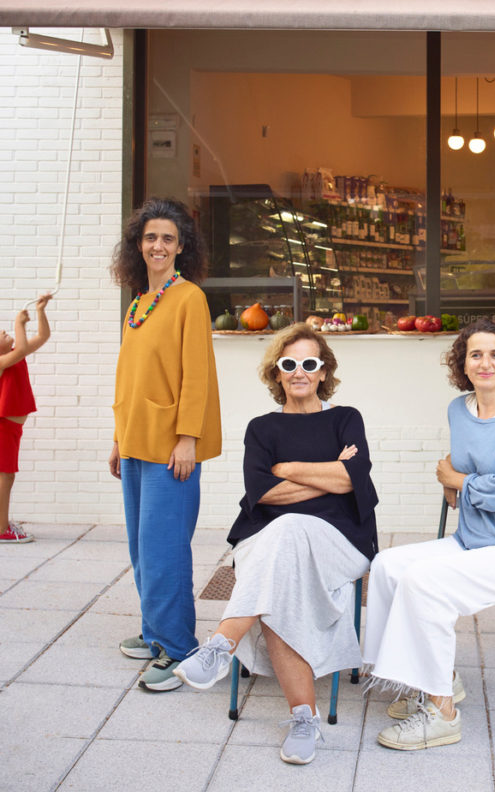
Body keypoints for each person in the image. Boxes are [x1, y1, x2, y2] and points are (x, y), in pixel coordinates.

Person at [174, 323, 378, 768]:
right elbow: (262, 493)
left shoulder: (347, 418)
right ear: (277, 372)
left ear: (323, 371)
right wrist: (328, 474)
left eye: (309, 363)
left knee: (289, 530)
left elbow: (353, 480)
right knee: (283, 557)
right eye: (289, 364)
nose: (299, 371)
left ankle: (221, 644)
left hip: (341, 540)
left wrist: (286, 469)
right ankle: (304, 718)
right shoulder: (261, 428)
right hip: (266, 539)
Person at [362, 317, 495, 751]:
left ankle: (442, 715)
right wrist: (452, 476)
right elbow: (464, 464)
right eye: (476, 354)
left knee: (425, 581)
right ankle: (428, 679)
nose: (485, 363)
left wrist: (458, 482)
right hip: (472, 540)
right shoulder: (459, 409)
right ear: (463, 363)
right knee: (387, 566)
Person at [108, 197, 221, 692]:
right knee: (141, 548)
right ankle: (155, 631)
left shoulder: (188, 298)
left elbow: (196, 375)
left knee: (165, 550)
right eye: (150, 237)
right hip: (136, 441)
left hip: (171, 448)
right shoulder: (138, 302)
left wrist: (188, 439)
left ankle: (178, 648)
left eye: (168, 239)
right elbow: (129, 377)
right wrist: (119, 437)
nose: (158, 245)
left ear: (181, 247)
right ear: (138, 244)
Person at [0, 294, 52, 543]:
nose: (4, 332)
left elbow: (42, 337)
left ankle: (2, 524)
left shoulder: (14, 355)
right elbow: (21, 348)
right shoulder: (2, 361)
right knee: (5, 476)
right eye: (1, 335)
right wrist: (19, 324)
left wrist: (41, 311)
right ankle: (2, 529)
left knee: (7, 475)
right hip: (4, 428)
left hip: (10, 430)